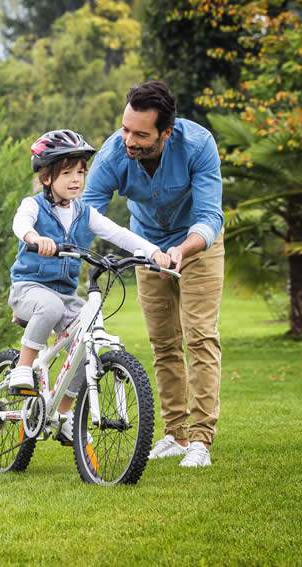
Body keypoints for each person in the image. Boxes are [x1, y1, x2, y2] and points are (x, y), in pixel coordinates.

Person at [82, 80, 224, 468]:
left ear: (166, 132)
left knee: (200, 336)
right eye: (126, 129)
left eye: (141, 135)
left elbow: (210, 215)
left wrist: (181, 250)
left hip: (197, 245)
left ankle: (200, 441)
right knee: (163, 343)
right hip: (147, 247)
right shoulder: (114, 152)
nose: (129, 141)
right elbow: (86, 212)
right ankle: (176, 435)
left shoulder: (198, 145)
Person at [8, 129, 171, 445]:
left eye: (80, 173)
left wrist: (153, 252)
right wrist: (34, 237)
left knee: (90, 334)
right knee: (50, 306)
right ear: (46, 178)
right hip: (29, 288)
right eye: (67, 173)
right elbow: (21, 223)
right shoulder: (33, 205)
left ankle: (64, 414)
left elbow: (119, 233)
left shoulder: (84, 212)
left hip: (65, 294)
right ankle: (23, 368)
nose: (76, 180)